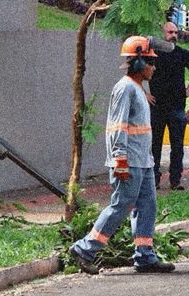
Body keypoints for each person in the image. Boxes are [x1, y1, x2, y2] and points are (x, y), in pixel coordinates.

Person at [68, 36, 176, 275]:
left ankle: (145, 256)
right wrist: (120, 159)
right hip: (129, 161)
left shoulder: (138, 89)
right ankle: (84, 249)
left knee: (147, 206)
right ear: (138, 62)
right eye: (150, 62)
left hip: (143, 162)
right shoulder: (125, 88)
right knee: (121, 206)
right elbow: (117, 127)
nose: (154, 67)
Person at [148, 19, 189, 190]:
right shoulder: (153, 53)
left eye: (176, 32)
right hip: (157, 107)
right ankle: (154, 179)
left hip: (177, 107)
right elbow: (135, 70)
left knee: (177, 146)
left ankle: (175, 180)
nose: (174, 35)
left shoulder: (182, 54)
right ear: (163, 34)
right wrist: (144, 93)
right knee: (154, 145)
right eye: (170, 32)